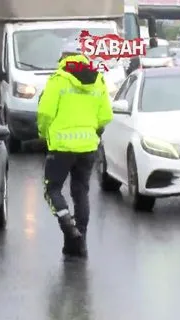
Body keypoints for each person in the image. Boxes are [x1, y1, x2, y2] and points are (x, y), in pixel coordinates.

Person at [37, 41, 113, 257]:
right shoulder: (98, 79)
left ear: (64, 58)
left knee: (52, 189)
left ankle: (68, 226)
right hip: (88, 146)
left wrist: (43, 133)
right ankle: (80, 242)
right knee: (81, 192)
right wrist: (92, 130)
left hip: (61, 147)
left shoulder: (58, 79)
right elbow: (106, 116)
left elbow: (45, 113)